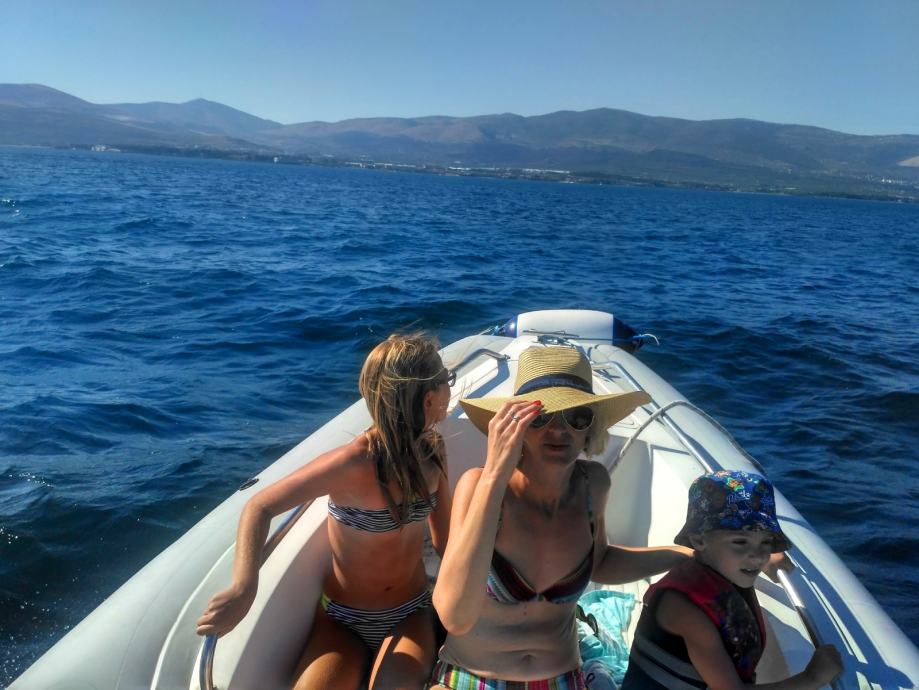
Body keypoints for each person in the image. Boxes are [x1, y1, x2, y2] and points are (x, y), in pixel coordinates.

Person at [429, 345, 699, 689]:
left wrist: (681, 556)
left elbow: (600, 562)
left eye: (577, 417)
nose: (559, 430)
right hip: (472, 676)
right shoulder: (479, 486)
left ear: (591, 427)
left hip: (561, 676)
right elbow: (453, 615)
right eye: (540, 417)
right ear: (517, 426)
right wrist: (495, 475)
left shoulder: (592, 486)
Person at [196, 333, 453, 690]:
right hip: (342, 620)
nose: (450, 388)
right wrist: (244, 587)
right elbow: (260, 506)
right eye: (447, 379)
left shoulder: (433, 452)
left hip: (409, 613)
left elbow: (446, 540)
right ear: (429, 398)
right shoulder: (352, 463)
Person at [620, 470, 843, 690]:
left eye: (766, 542)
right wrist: (811, 678)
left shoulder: (722, 565)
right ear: (699, 541)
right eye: (740, 542)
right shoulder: (685, 610)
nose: (758, 556)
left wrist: (760, 552)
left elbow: (739, 555)